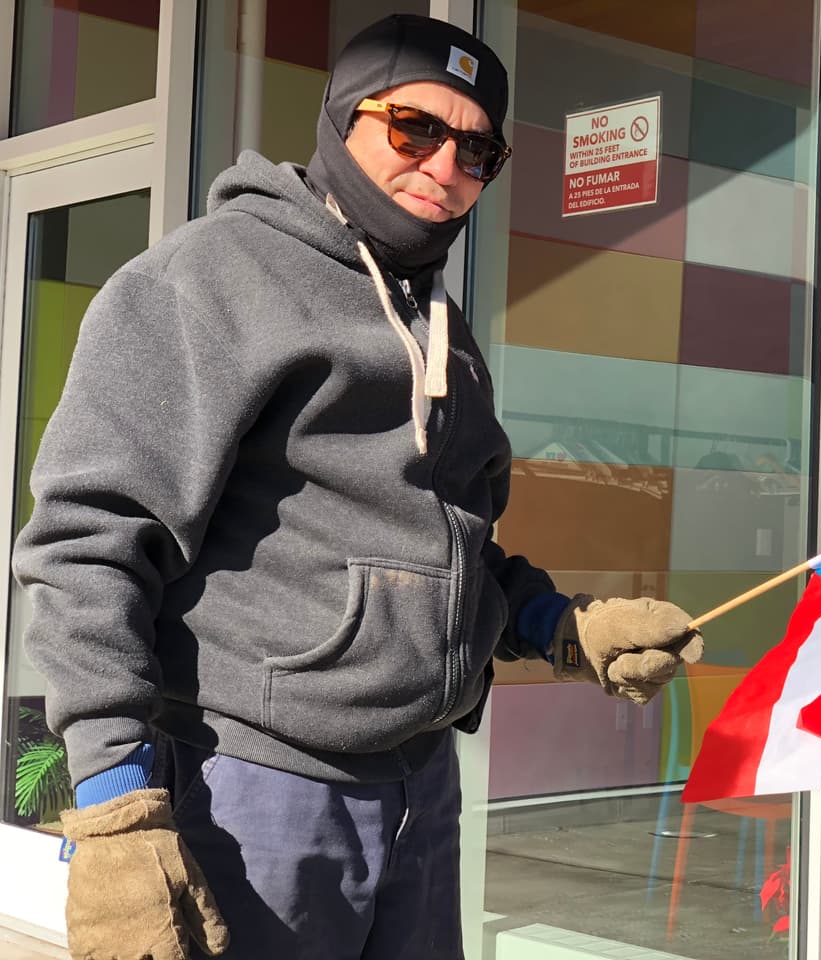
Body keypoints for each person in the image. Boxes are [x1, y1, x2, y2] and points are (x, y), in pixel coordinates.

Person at [12, 15, 701, 960]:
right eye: (414, 127)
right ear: (342, 118)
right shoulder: (205, 281)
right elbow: (90, 544)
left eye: (478, 149)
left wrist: (558, 626)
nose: (445, 165)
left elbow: (442, 543)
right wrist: (118, 809)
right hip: (256, 792)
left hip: (423, 791)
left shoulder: (438, 324)